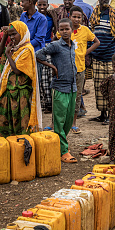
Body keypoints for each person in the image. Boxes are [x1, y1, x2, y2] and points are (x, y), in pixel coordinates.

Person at [0, 21, 42, 137]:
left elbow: (17, 70)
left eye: (14, 34)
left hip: (21, 94)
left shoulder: (27, 50)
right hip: (10, 91)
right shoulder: (15, 48)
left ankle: (21, 148)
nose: (12, 37)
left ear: (22, 33)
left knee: (20, 124)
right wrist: (5, 35)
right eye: (10, 35)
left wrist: (8, 54)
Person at [36, 18, 77, 163]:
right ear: (58, 31)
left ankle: (61, 145)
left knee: (68, 120)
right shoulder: (56, 45)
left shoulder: (72, 45)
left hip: (72, 87)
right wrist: (52, 67)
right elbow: (38, 55)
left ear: (72, 29)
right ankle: (63, 151)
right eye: (61, 29)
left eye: (67, 29)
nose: (64, 32)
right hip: (60, 87)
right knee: (59, 120)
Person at [68, 6, 99, 133]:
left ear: (82, 18)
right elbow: (56, 40)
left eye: (79, 17)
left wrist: (85, 53)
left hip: (80, 68)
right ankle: (56, 123)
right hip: (66, 68)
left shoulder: (85, 30)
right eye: (74, 16)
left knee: (77, 95)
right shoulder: (66, 29)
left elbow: (97, 42)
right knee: (63, 96)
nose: (76, 19)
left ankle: (74, 123)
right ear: (70, 17)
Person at [37, 0, 56, 113]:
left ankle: (50, 104)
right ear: (36, 5)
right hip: (38, 48)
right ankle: (43, 103)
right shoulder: (34, 17)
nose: (42, 7)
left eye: (44, 5)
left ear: (48, 5)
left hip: (48, 47)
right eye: (40, 5)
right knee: (40, 77)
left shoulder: (50, 18)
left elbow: (56, 29)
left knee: (48, 76)